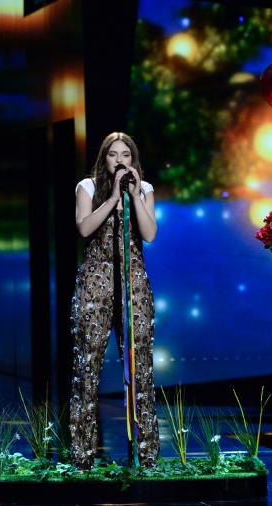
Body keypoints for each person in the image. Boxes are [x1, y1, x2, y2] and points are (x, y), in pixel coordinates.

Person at [69, 132, 158, 469]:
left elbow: (149, 234)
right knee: (87, 367)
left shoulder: (144, 189)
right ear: (104, 158)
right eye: (113, 155)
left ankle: (146, 457)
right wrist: (112, 199)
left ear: (133, 160)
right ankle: (82, 456)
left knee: (140, 367)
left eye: (126, 155)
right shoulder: (88, 187)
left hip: (133, 283)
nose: (119, 161)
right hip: (96, 282)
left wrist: (134, 196)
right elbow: (84, 228)